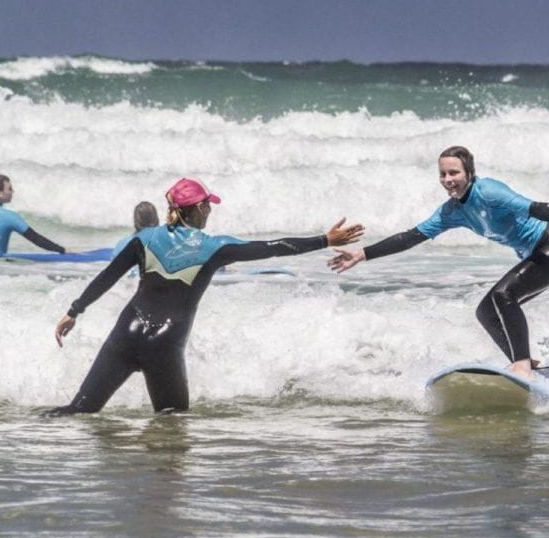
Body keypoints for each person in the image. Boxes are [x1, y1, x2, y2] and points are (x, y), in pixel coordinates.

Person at [50, 177, 364, 415]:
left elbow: (108, 276)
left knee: (77, 411)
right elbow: (273, 247)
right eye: (208, 205)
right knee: (172, 423)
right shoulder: (215, 247)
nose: (210, 210)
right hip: (164, 343)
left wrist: (74, 311)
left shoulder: (145, 238)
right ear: (199, 208)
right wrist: (324, 239)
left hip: (126, 332)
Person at [328, 146, 549, 379]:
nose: (447, 179)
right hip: (538, 254)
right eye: (442, 174)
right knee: (487, 312)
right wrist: (362, 254)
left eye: (453, 172)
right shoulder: (451, 212)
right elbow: (410, 237)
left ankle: (522, 365)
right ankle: (527, 365)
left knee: (504, 296)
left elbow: (534, 207)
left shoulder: (489, 191)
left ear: (470, 173)